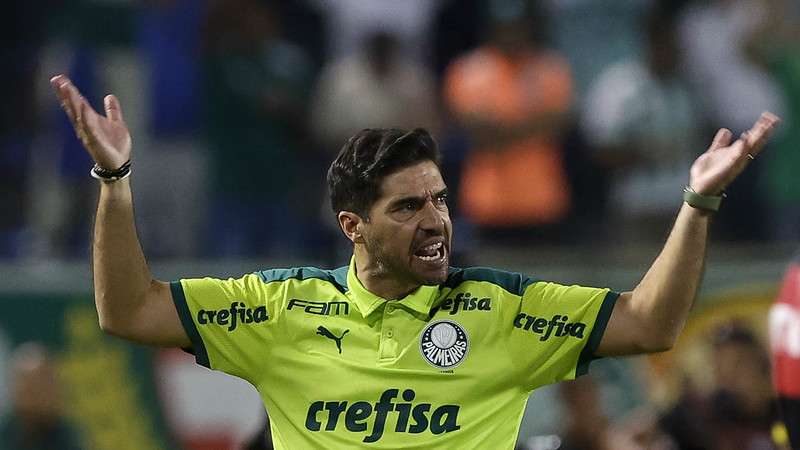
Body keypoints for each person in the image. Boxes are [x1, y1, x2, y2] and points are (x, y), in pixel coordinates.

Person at [50, 72, 779, 448]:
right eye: (407, 208)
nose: (435, 222)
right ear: (352, 227)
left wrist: (696, 204)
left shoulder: (501, 312)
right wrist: (114, 183)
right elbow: (128, 310)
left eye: (439, 200)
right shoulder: (279, 310)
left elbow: (650, 324)